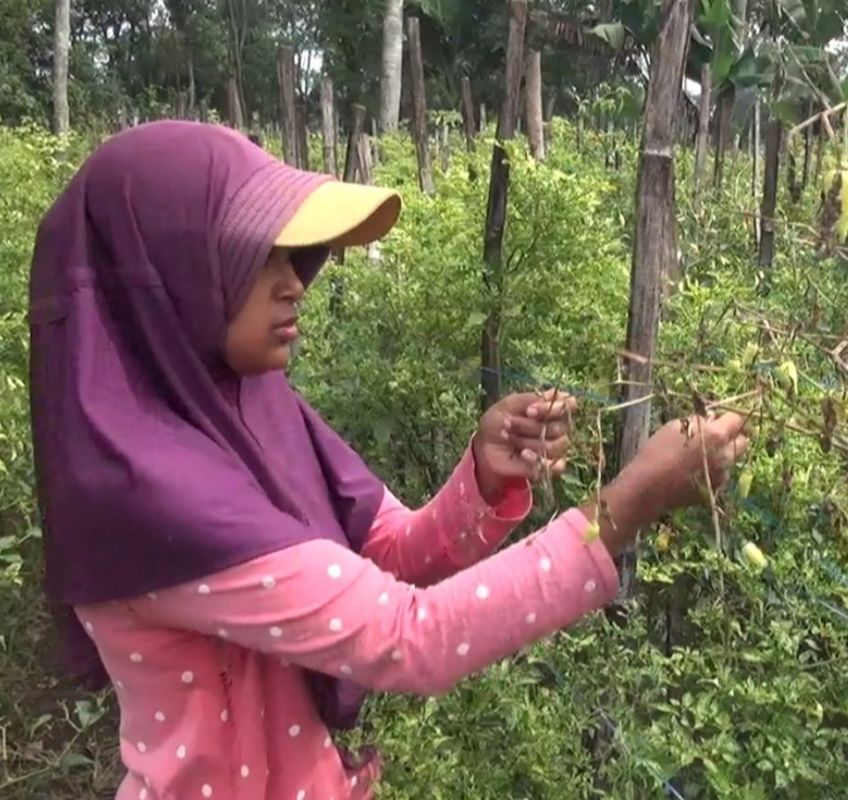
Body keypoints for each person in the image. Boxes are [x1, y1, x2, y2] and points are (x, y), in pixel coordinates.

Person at [27, 120, 750, 800]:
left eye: (294, 254)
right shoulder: (142, 495)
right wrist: (627, 505)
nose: (293, 281)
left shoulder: (248, 404)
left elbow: (384, 551)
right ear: (164, 275)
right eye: (254, 256)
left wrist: (483, 479)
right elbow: (410, 635)